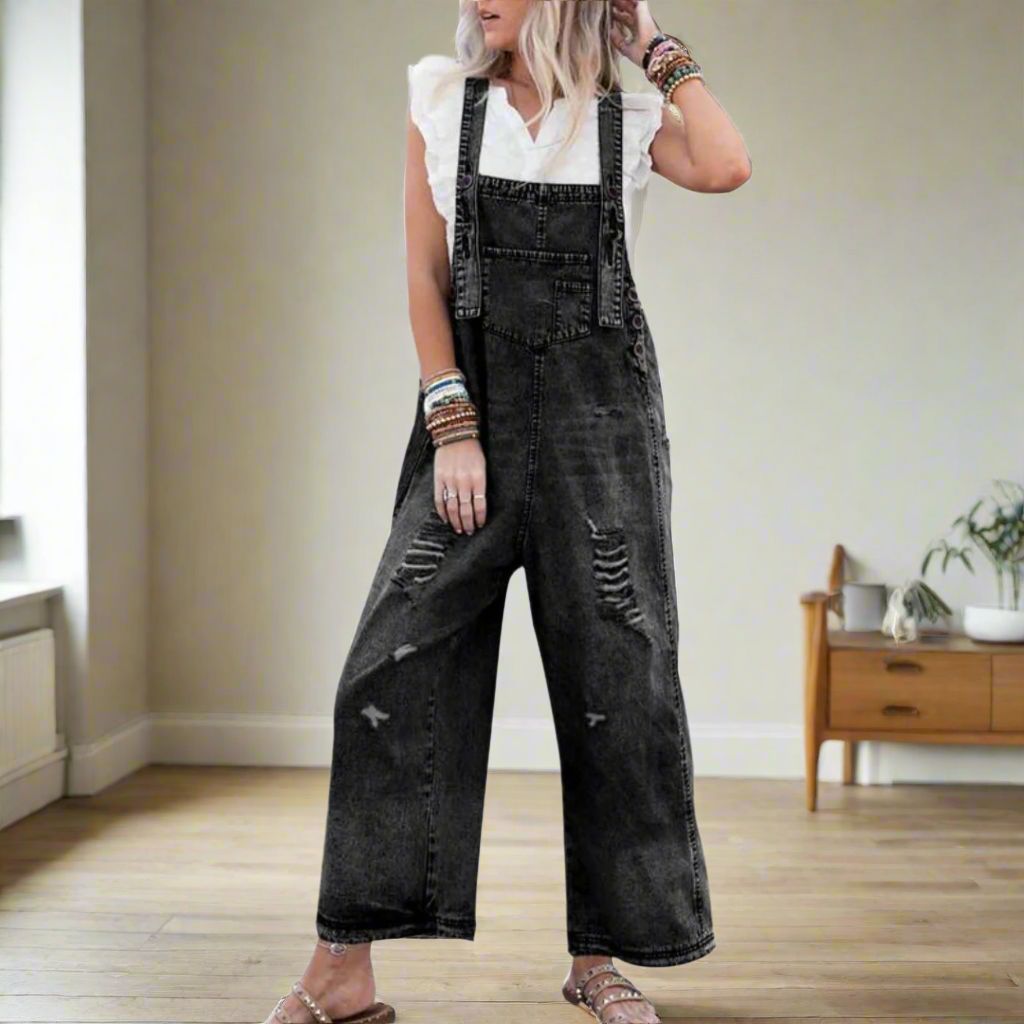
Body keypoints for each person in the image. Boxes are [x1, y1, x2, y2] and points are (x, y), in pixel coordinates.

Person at [263, 2, 750, 1022]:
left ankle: (599, 959)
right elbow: (423, 273)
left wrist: (651, 44)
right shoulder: (441, 99)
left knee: (617, 683)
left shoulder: (626, 117)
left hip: (599, 435)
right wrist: (452, 424)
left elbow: (726, 163)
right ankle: (343, 967)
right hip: (470, 425)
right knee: (382, 672)